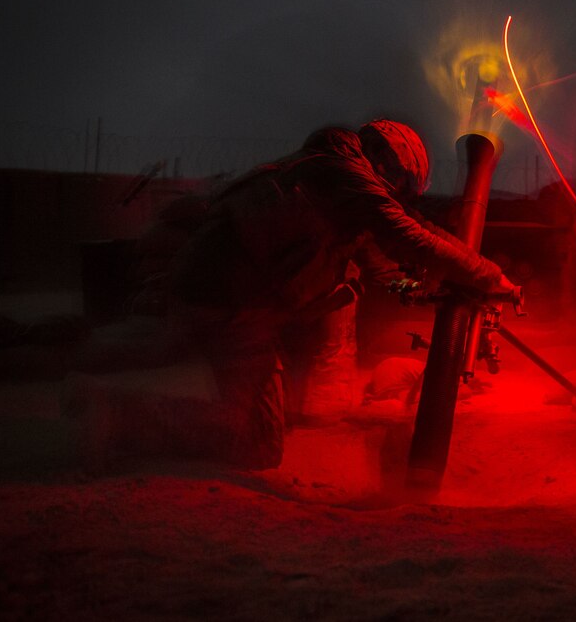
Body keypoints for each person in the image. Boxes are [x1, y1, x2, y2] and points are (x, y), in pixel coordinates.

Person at [64, 120, 514, 471]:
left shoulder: (339, 185)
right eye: (397, 181)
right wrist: (493, 279)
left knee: (164, 350)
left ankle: (95, 391)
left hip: (230, 296)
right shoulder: (341, 173)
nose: (395, 193)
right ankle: (116, 415)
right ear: (380, 155)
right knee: (255, 440)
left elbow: (386, 262)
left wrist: (415, 290)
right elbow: (408, 235)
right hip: (233, 302)